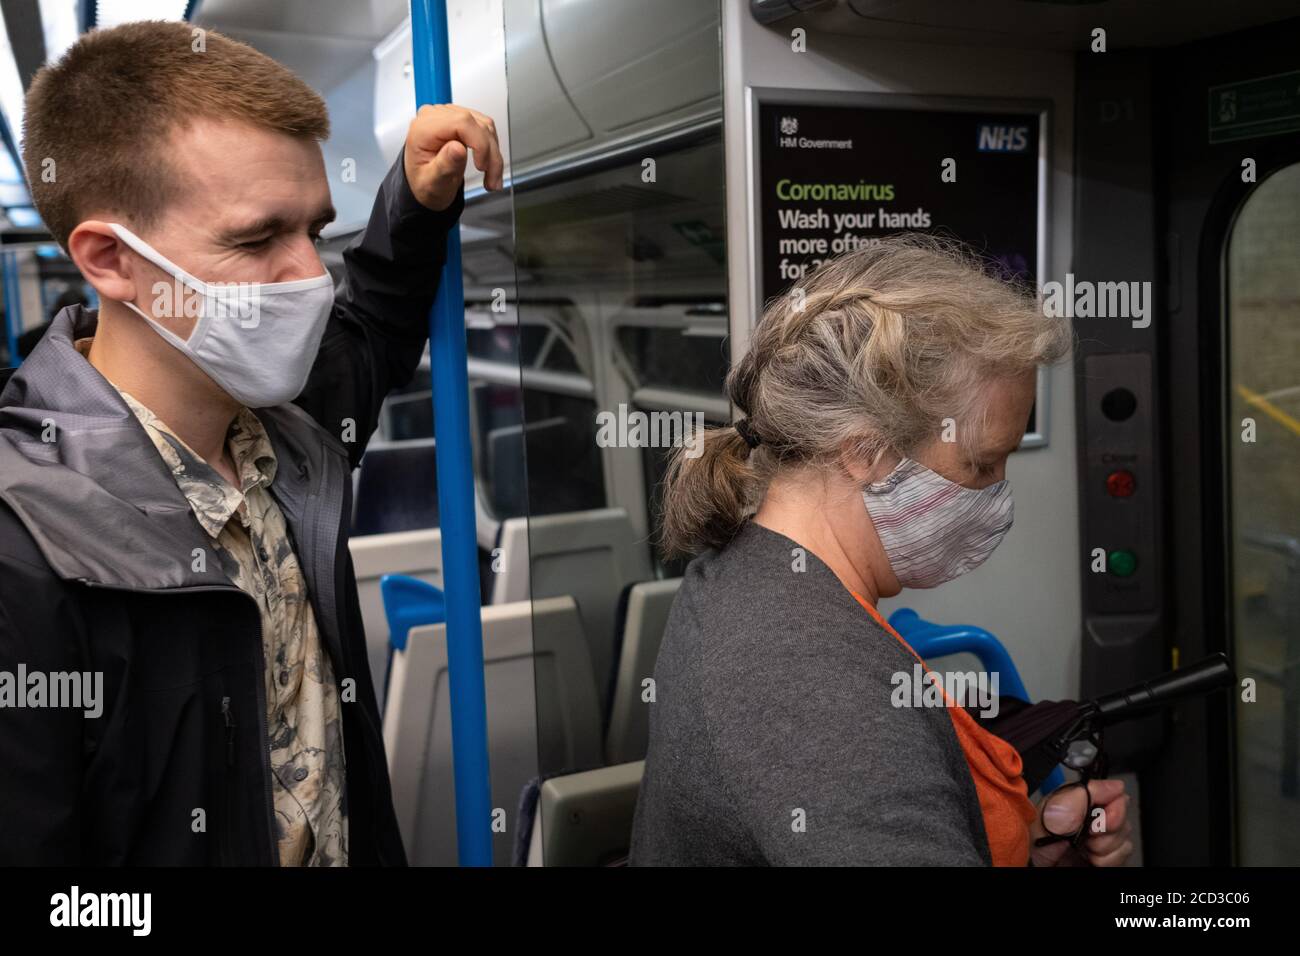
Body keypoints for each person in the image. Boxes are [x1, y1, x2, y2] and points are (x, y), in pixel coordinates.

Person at [0, 21, 502, 865]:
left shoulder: (289, 424)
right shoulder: (24, 554)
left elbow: (373, 315)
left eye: (315, 229)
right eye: (258, 239)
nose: (310, 275)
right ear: (111, 261)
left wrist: (414, 203)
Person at [629, 235, 1134, 866]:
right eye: (980, 464)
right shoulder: (809, 682)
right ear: (865, 451)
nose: (997, 497)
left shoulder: (746, 579)